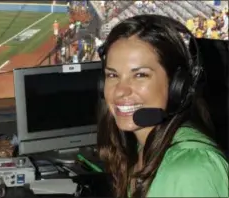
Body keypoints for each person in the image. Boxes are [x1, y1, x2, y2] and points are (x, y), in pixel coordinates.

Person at [97, 14, 228, 198]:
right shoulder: (145, 150)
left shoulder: (191, 170)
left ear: (177, 85)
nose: (120, 91)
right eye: (113, 75)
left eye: (140, 75)